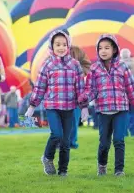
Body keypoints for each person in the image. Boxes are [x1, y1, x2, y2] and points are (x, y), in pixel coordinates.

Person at [78, 34, 134, 176]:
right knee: (104, 143)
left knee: (119, 140)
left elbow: (132, 89)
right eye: (100, 48)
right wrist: (84, 99)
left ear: (114, 49)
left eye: (107, 48)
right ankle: (102, 166)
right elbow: (91, 90)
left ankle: (119, 170)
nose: (103, 51)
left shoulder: (123, 67)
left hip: (121, 110)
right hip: (103, 111)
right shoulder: (94, 69)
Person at [25, 29, 88, 177]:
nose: (61, 47)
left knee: (66, 142)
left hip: (69, 107)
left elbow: (80, 88)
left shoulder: (75, 65)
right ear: (52, 46)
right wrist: (32, 106)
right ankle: (47, 158)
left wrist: (84, 108)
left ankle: (63, 171)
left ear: (68, 46)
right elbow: (40, 87)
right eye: (57, 44)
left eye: (64, 44)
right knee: (56, 134)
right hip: (52, 106)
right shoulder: (47, 65)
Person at [69, 45, 91, 149]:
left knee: (74, 118)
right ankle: (60, 143)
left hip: (76, 91)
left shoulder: (77, 50)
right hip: (58, 94)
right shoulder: (53, 52)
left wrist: (78, 71)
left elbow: (87, 65)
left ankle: (72, 142)